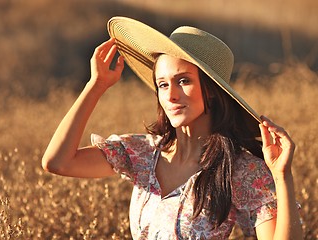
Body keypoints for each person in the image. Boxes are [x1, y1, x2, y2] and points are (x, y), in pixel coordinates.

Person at [42, 17, 302, 239]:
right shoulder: (142, 153)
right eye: (163, 85)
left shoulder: (240, 171)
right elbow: (58, 162)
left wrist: (282, 176)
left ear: (211, 91)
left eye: (183, 81)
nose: (171, 95)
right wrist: (96, 86)